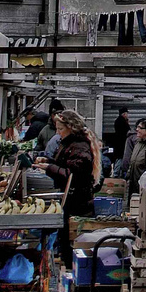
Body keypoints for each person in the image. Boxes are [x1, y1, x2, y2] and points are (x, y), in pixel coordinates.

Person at [36, 110, 102, 261]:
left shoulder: (79, 146)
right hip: (72, 199)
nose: (58, 133)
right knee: (66, 239)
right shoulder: (69, 144)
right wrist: (48, 162)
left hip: (77, 201)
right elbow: (65, 164)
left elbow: (73, 174)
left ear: (71, 127)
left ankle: (72, 271)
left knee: (71, 242)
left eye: (60, 129)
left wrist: (49, 168)